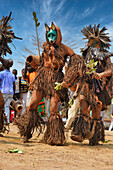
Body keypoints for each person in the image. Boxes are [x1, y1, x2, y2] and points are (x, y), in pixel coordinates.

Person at [14, 22, 81, 145]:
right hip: (43, 78)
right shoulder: (45, 46)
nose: (51, 38)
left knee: (54, 108)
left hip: (56, 79)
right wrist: (34, 62)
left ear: (58, 35)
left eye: (53, 35)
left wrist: (68, 79)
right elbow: (41, 61)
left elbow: (76, 60)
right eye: (49, 35)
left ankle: (54, 136)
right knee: (32, 104)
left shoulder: (64, 48)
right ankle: (26, 131)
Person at [62, 24, 113, 145]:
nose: (91, 44)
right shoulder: (85, 56)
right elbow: (78, 68)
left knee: (96, 110)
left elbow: (111, 70)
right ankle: (79, 133)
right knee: (83, 107)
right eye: (89, 41)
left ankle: (94, 137)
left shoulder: (105, 57)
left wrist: (100, 75)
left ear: (99, 43)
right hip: (86, 85)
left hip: (99, 87)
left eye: (93, 41)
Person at [0, 59, 15, 124]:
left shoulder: (1, 73)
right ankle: (7, 121)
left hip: (3, 91)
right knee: (7, 107)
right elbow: (13, 84)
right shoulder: (12, 75)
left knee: (1, 108)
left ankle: (2, 121)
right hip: (10, 92)